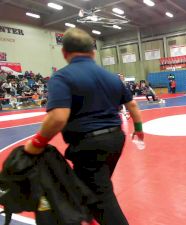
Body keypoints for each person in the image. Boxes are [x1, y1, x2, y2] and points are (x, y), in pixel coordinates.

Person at [23, 28, 144, 225]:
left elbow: (58, 117)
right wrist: (138, 129)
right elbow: (132, 106)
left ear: (64, 53)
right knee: (85, 188)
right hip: (115, 140)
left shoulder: (61, 77)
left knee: (101, 196)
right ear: (93, 52)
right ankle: (89, 218)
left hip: (89, 145)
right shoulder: (112, 77)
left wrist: (37, 143)